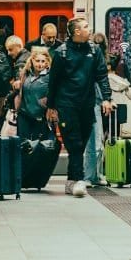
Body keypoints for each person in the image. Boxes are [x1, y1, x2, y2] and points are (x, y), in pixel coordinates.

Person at [46, 17, 113, 198]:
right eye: (85, 27)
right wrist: (51, 106)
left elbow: (101, 75)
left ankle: (71, 181)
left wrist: (107, 98)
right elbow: (54, 82)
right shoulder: (62, 53)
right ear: (76, 32)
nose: (89, 29)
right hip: (66, 104)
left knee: (81, 144)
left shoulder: (95, 50)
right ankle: (79, 180)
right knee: (74, 143)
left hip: (87, 104)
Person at [82, 32, 111, 187]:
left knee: (97, 140)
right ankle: (90, 175)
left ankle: (94, 175)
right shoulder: (90, 59)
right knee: (93, 140)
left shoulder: (96, 59)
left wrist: (107, 98)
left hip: (98, 102)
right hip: (92, 102)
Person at [16, 47, 52, 143]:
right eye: (37, 61)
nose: (40, 64)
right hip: (24, 114)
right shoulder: (26, 73)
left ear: (47, 62)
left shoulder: (50, 76)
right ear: (32, 60)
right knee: (23, 144)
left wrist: (46, 102)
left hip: (41, 115)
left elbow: (56, 93)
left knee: (38, 147)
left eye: (43, 61)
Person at [106, 52, 131, 139]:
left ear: (109, 66)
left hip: (111, 107)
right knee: (117, 135)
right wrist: (125, 87)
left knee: (106, 133)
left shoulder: (106, 79)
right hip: (122, 107)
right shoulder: (123, 81)